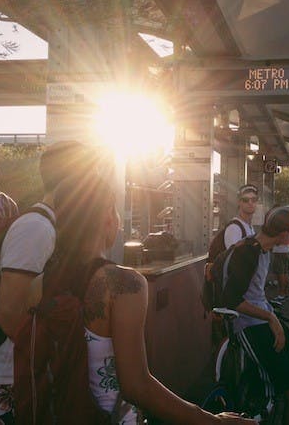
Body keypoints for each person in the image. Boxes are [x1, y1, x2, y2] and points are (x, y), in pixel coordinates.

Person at [31, 172, 254, 424]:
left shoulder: (40, 283)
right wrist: (215, 421)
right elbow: (136, 386)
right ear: (107, 217)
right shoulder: (124, 284)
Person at [0, 141, 94, 424]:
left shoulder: (52, 226)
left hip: (33, 377)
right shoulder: (35, 228)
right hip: (14, 383)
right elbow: (8, 314)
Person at [221, 207, 289, 425]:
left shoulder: (264, 250)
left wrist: (270, 316)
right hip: (248, 326)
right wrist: (271, 318)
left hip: (265, 319)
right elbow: (232, 299)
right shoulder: (248, 252)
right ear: (282, 233)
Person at [224, 184, 258, 249]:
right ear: (239, 202)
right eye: (246, 200)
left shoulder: (249, 226)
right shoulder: (234, 228)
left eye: (254, 199)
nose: (250, 203)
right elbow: (233, 256)